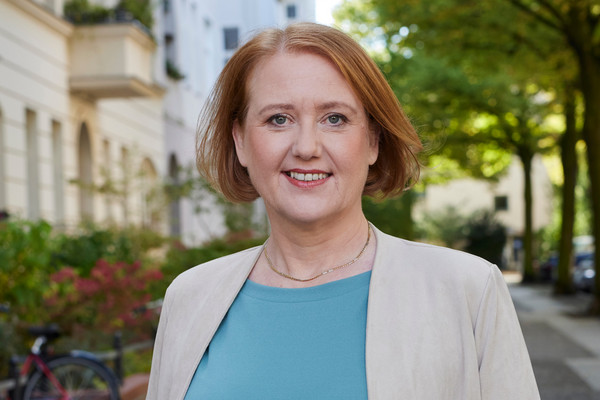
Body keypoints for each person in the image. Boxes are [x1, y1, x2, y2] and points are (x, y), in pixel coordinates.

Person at [147, 22, 540, 399]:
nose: (306, 146)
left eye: (334, 118)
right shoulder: (189, 298)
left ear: (372, 140)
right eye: (278, 119)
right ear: (241, 141)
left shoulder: (469, 290)